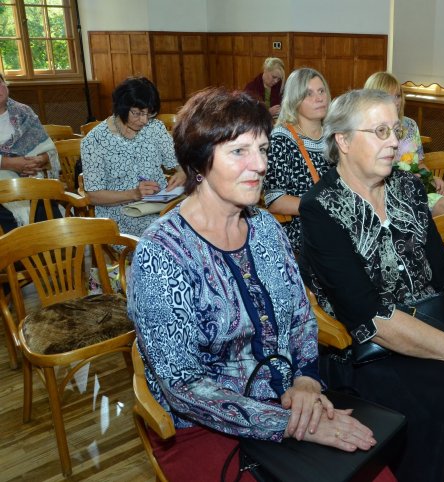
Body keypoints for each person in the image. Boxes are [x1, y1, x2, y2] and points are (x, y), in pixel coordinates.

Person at [128, 87, 386, 481]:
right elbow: (183, 385)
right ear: (198, 162)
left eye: (263, 149)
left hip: (291, 398)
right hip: (204, 424)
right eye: (239, 151)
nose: (260, 165)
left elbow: (301, 316)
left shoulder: (265, 227)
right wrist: (289, 425)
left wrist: (305, 380)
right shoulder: (160, 254)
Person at [299, 89, 444, 482]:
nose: (394, 141)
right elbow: (371, 318)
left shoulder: (407, 187)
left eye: (396, 130)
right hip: (373, 355)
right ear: (344, 140)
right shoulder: (320, 207)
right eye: (380, 131)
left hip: (435, 329)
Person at [81, 76, 185, 238]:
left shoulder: (155, 128)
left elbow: (179, 162)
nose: (144, 120)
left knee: (199, 222)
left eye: (149, 113)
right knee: (168, 235)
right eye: (137, 113)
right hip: (120, 214)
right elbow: (94, 195)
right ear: (122, 107)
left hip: (160, 206)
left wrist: (182, 172)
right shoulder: (94, 141)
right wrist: (134, 194)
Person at [363, 71, 444, 217]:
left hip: (416, 189)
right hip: (384, 197)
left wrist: (431, 178)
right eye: (389, 97)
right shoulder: (367, 131)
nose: (396, 102)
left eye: (398, 96)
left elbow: (419, 164)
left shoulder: (410, 125)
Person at [263, 67, 331, 253]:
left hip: (335, 230)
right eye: (309, 94)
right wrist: (324, 207)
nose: (319, 98)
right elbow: (275, 200)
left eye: (321, 91)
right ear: (295, 100)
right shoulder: (281, 138)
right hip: (302, 238)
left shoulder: (334, 135)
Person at [0, 72, 61, 233]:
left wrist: (41, 159)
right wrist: (8, 163)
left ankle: (55, 248)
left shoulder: (24, 112)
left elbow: (49, 151)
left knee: (45, 205)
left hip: (33, 178)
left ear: (5, 84)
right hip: (2, 189)